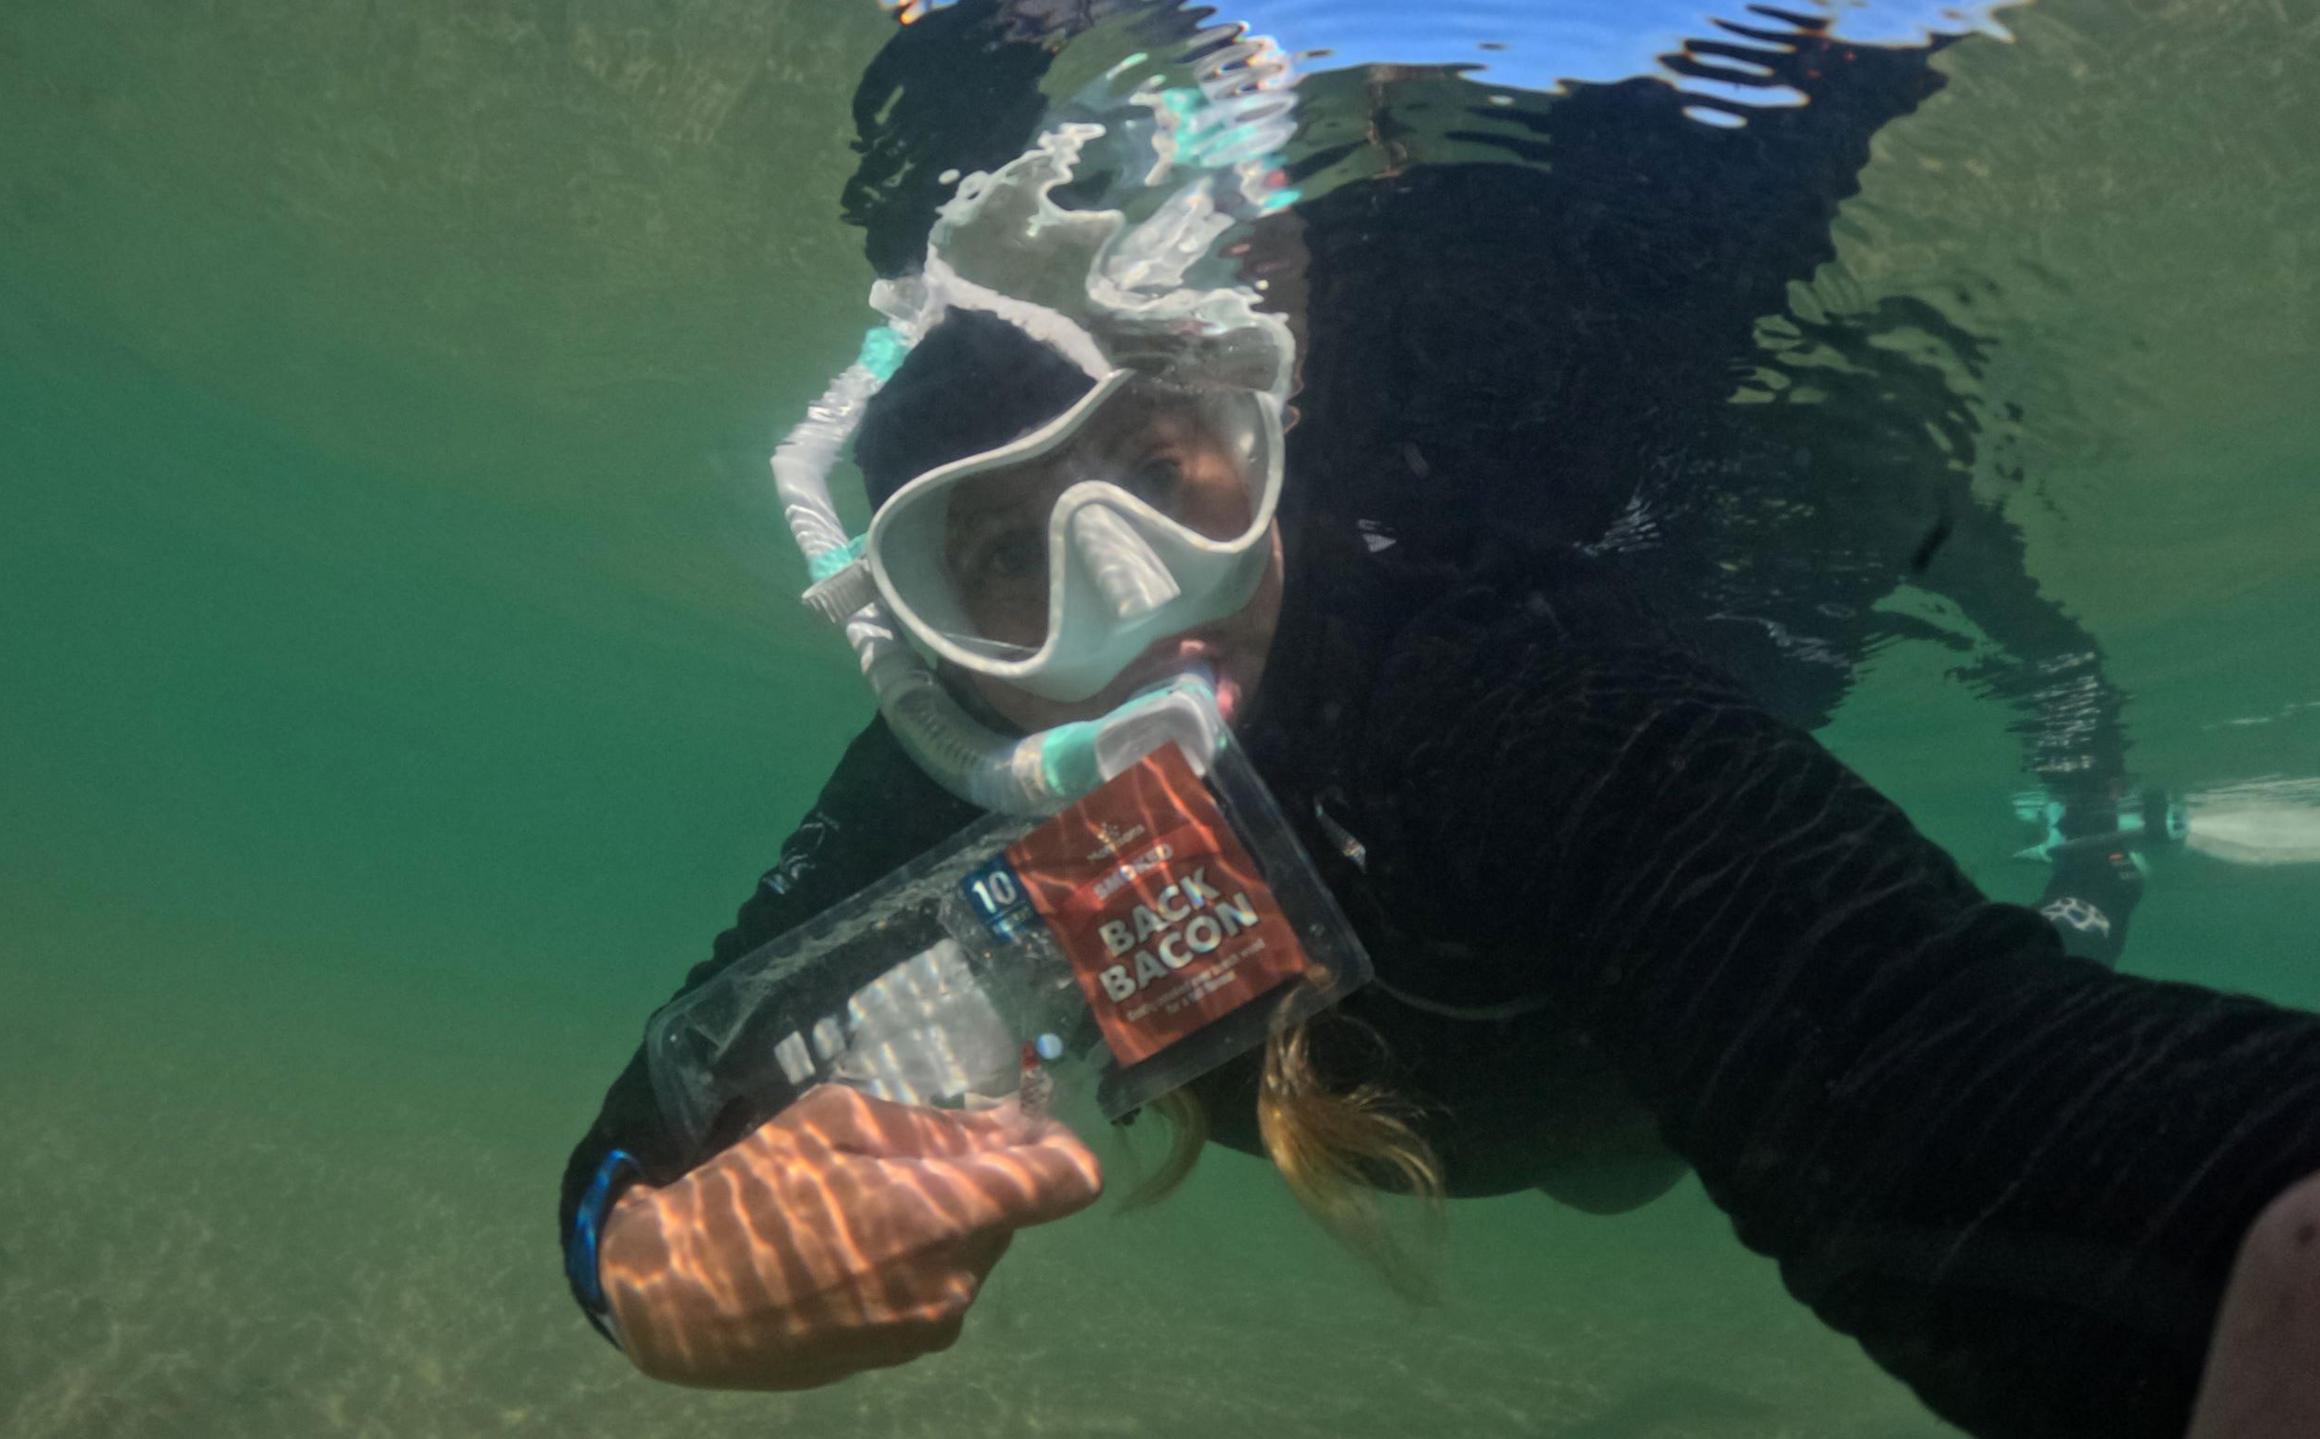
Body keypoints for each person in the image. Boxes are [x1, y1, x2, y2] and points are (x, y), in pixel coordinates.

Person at [561, 10, 2320, 1438]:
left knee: (1634, 1165)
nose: (1126, 598)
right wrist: (649, 1273)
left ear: (1264, 441)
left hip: (1619, 1109)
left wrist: (2244, 1239)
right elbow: (639, 1147)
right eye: (1002, 562)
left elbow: (1940, 1056)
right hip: (1474, 1112)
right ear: (919, 637)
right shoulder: (952, 788)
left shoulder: (1478, 678)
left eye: (1167, 480)